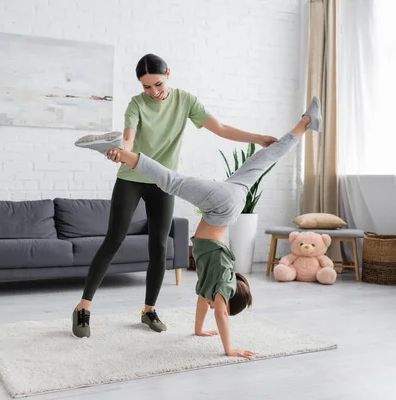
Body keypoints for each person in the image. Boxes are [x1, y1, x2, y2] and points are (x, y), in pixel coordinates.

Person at [76, 96, 323, 359]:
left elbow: (205, 306)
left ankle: (307, 121)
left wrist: (198, 330)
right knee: (172, 181)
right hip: (222, 205)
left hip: (233, 196)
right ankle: (119, 151)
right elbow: (221, 314)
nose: (213, 305)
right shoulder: (221, 288)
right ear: (226, 300)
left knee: (268, 156)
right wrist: (230, 349)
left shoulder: (209, 287)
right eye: (221, 305)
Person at [70, 53, 279, 339]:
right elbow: (130, 137)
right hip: (131, 179)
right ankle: (83, 307)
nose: (154, 92)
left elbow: (221, 128)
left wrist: (257, 138)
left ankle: (149, 310)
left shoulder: (185, 101)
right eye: (146, 87)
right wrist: (120, 149)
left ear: (168, 73)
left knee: (159, 245)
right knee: (113, 240)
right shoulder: (136, 104)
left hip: (164, 182)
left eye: (158, 84)